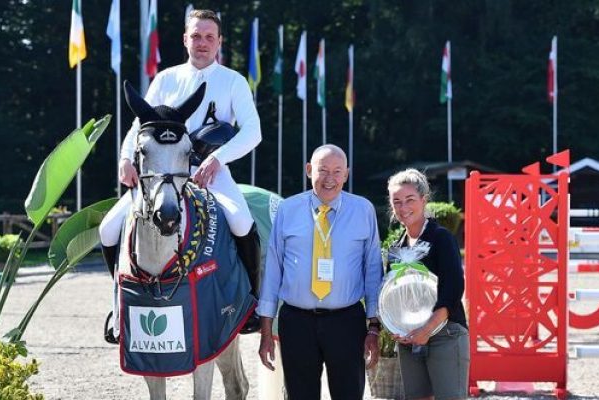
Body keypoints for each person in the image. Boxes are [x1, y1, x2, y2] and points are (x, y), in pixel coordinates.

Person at [99, 10, 263, 333]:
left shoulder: (233, 81)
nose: (202, 43)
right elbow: (139, 124)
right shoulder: (165, 79)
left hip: (209, 173)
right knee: (107, 229)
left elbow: (253, 131)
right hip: (160, 177)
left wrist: (219, 159)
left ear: (219, 42)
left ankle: (251, 303)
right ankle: (119, 305)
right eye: (196, 36)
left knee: (242, 222)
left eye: (209, 37)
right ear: (185, 39)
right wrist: (125, 158)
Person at [257, 144, 383, 399]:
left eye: (337, 172)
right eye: (322, 170)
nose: (330, 179)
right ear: (308, 170)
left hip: (347, 322)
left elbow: (372, 270)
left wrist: (373, 327)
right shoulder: (288, 209)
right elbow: (273, 270)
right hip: (296, 322)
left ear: (346, 174)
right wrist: (267, 330)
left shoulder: (363, 210)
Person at [386, 168, 469, 400]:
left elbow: (453, 290)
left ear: (424, 200)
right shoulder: (396, 248)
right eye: (397, 202)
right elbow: (390, 295)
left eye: (410, 200)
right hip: (409, 337)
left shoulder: (441, 238)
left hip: (445, 333)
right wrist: (395, 328)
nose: (403, 208)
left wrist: (427, 329)